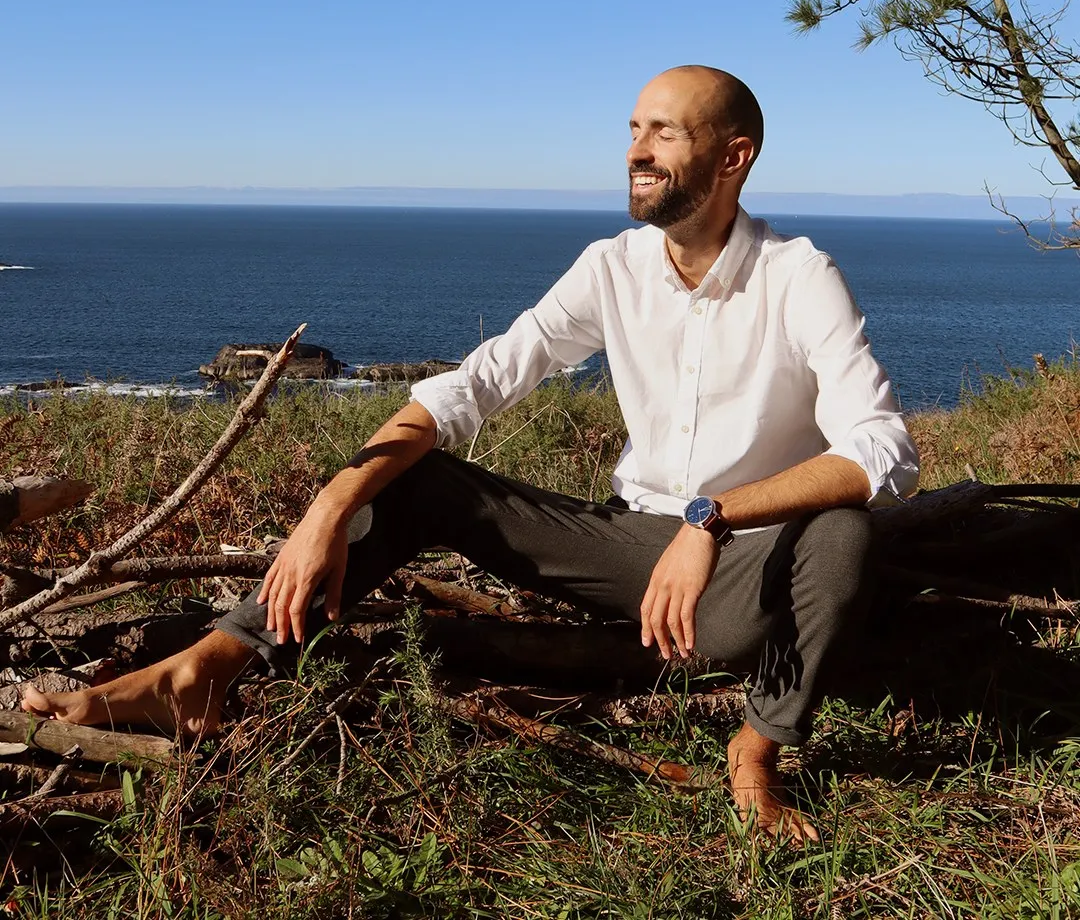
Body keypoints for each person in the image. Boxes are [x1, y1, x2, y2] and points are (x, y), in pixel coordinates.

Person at [22, 66, 918, 843]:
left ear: (733, 157)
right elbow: (474, 387)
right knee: (417, 477)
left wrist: (711, 518)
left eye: (665, 132)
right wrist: (331, 504)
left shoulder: (800, 275)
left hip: (740, 572)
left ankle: (757, 748)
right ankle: (202, 669)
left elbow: (884, 449)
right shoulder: (613, 268)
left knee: (843, 531)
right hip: (625, 550)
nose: (637, 150)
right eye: (633, 130)